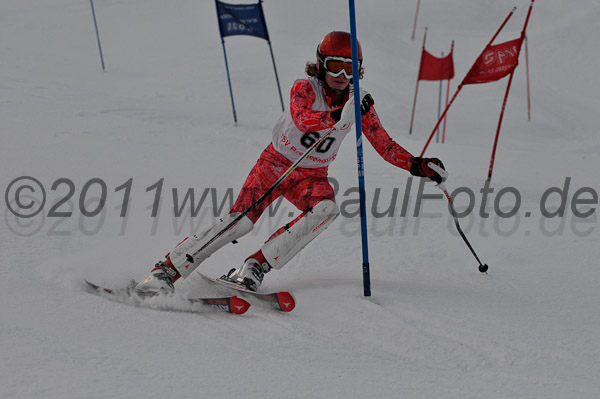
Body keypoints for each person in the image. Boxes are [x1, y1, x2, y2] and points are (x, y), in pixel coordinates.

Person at [135, 31, 446, 293]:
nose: (341, 77)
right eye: (335, 67)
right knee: (241, 221)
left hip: (312, 175)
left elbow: (384, 144)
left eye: (350, 69)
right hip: (276, 164)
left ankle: (255, 266)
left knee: (326, 210)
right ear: (321, 65)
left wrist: (417, 165)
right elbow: (303, 120)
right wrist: (337, 115)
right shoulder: (304, 88)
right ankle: (167, 270)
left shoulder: (359, 102)